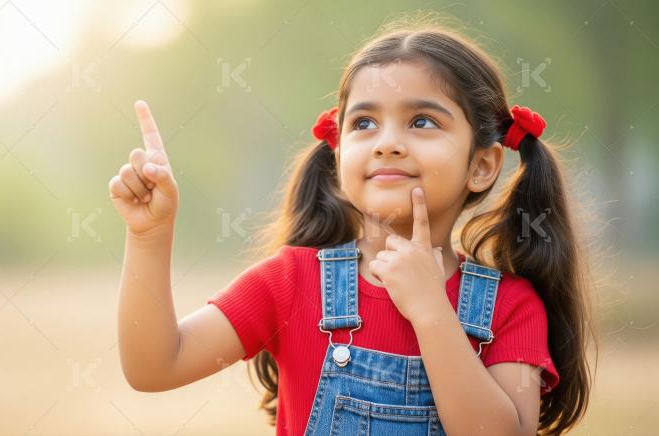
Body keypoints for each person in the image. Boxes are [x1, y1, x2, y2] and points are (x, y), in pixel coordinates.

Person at [109, 23, 597, 436]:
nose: (387, 143)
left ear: (483, 165)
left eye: (423, 121)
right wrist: (149, 237)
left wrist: (432, 313)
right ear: (339, 153)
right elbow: (155, 366)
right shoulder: (291, 282)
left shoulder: (511, 308)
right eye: (364, 123)